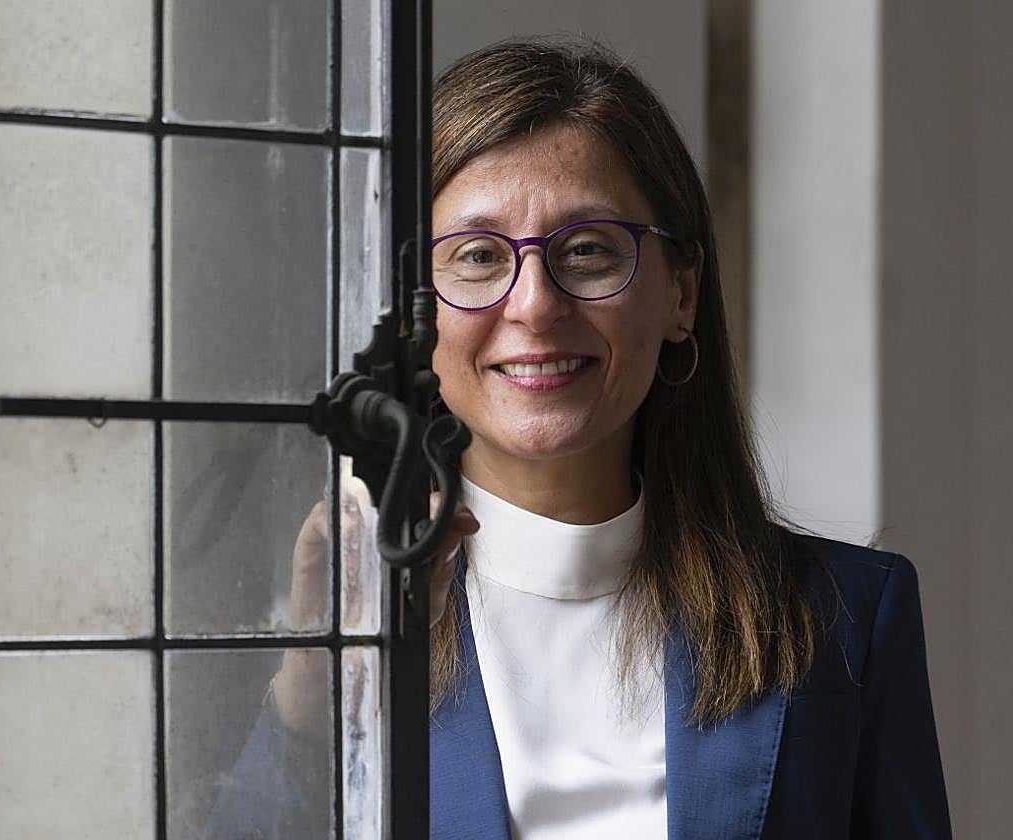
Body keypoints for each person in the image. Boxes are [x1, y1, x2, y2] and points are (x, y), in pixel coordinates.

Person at [215, 38, 952, 839]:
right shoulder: (292, 626)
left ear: (681, 292)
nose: (533, 304)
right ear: (410, 311)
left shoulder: (845, 616)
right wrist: (311, 698)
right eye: (477, 256)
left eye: (589, 251)